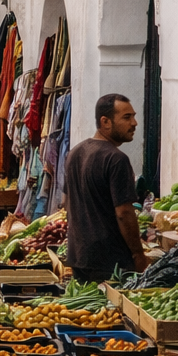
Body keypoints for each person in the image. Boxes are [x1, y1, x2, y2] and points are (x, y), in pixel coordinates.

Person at [64, 94, 148, 281]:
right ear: (105, 121)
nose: (134, 123)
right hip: (110, 262)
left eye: (133, 116)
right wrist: (138, 255)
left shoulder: (75, 152)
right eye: (127, 117)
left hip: (80, 257)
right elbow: (124, 213)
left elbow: (66, 202)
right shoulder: (116, 159)